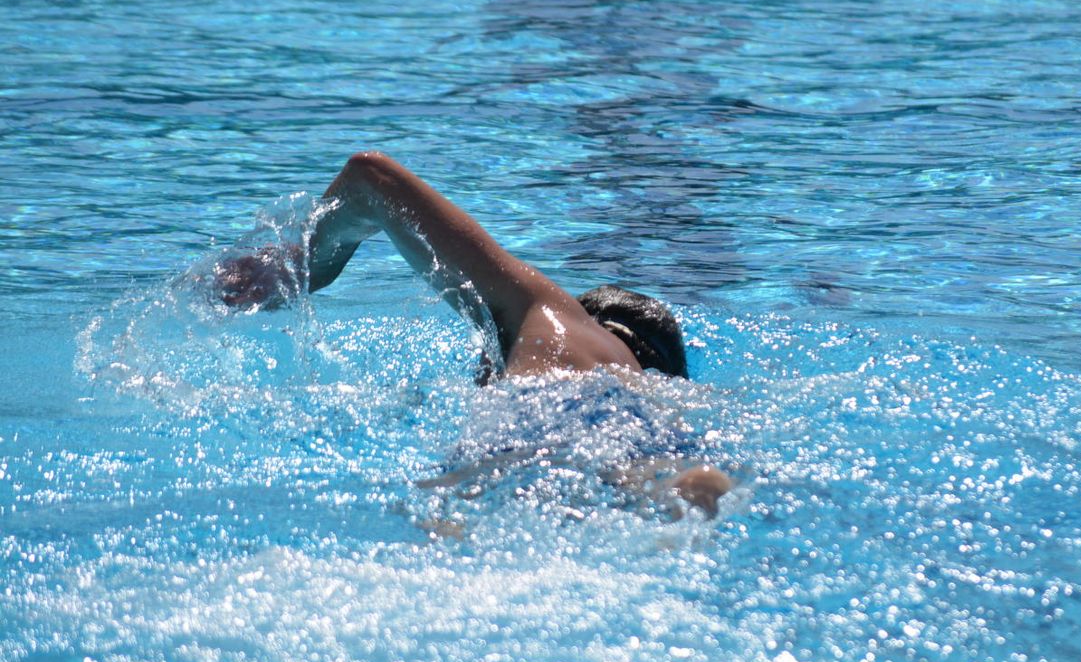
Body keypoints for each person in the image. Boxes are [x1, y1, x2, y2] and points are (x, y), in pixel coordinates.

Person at [216, 152, 732, 517]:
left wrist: (301, 267)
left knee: (445, 511)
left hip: (544, 422)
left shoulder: (554, 316)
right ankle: (686, 491)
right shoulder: (659, 394)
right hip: (650, 440)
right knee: (647, 484)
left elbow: (371, 177)